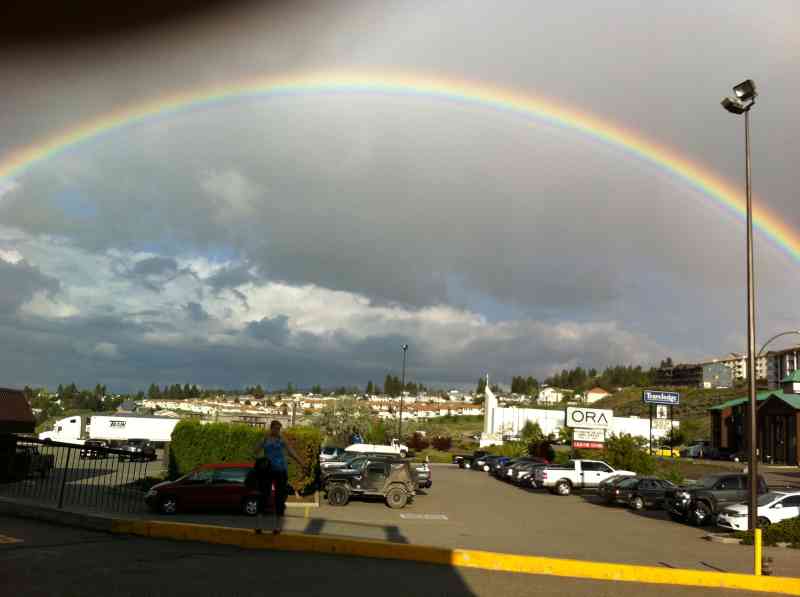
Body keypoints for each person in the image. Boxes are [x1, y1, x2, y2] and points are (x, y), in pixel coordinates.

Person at [253, 420, 303, 518]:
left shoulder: (282, 439)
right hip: (268, 470)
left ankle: (279, 515)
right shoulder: (265, 439)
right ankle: (260, 515)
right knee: (264, 493)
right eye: (275, 429)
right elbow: (255, 451)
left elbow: (291, 451)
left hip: (281, 470)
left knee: (280, 495)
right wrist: (260, 461)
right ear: (271, 428)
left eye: (279, 429)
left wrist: (301, 462)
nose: (277, 431)